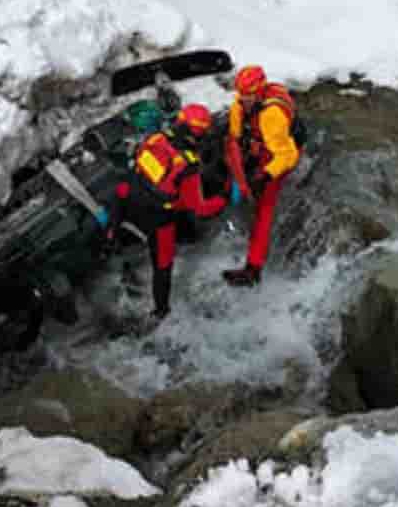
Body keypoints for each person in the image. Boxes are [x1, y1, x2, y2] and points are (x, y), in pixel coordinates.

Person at [102, 104, 230, 320]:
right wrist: (224, 199)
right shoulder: (188, 166)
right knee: (163, 264)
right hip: (158, 217)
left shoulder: (156, 139)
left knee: (121, 191)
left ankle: (110, 238)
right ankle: (160, 311)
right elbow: (199, 208)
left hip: (129, 198)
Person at [222, 65, 301, 287]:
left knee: (264, 207)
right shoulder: (239, 105)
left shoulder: (271, 115)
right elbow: (235, 140)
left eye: (247, 95)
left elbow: (288, 155)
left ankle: (253, 269)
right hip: (262, 142)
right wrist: (238, 174)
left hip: (281, 152)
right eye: (241, 94)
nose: (243, 99)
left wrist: (265, 176)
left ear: (258, 92)